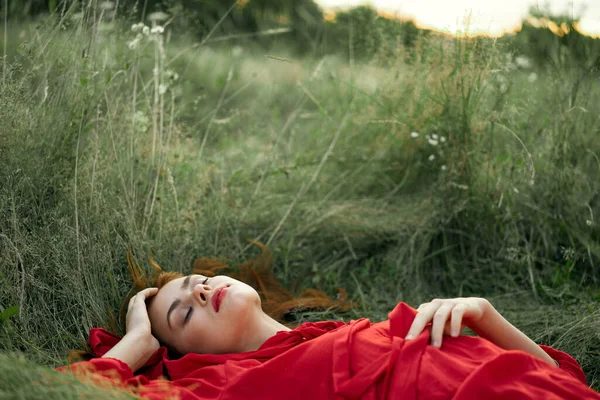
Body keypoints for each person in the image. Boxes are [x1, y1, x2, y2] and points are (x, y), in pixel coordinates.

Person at [61, 241, 600, 399]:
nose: (200, 292)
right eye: (182, 313)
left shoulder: (328, 334)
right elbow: (60, 393)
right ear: (185, 356)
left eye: (194, 283)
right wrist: (136, 340)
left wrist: (487, 316)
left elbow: (566, 382)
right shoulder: (221, 386)